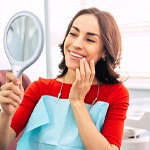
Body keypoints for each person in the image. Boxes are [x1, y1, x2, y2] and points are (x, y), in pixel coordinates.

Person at [0, 7, 129, 150]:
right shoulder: (40, 88)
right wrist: (6, 115)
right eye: (73, 34)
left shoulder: (116, 94)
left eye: (90, 39)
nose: (76, 44)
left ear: (104, 51)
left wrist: (77, 102)